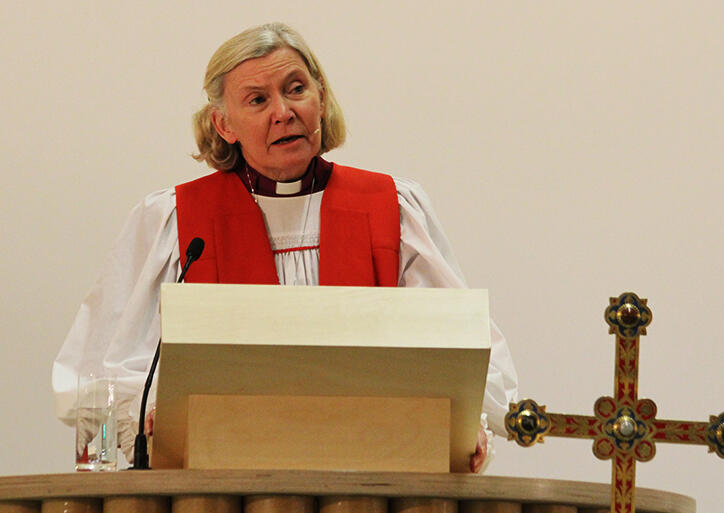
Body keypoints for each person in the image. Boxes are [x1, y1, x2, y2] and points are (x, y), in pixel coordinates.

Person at [52, 22, 517, 473]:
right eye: (257, 99)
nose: (283, 111)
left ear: (321, 98)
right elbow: (96, 378)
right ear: (224, 123)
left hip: (367, 482)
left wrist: (465, 422)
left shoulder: (393, 209)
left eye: (296, 89)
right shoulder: (175, 220)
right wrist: (152, 412)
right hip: (218, 491)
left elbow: (464, 346)